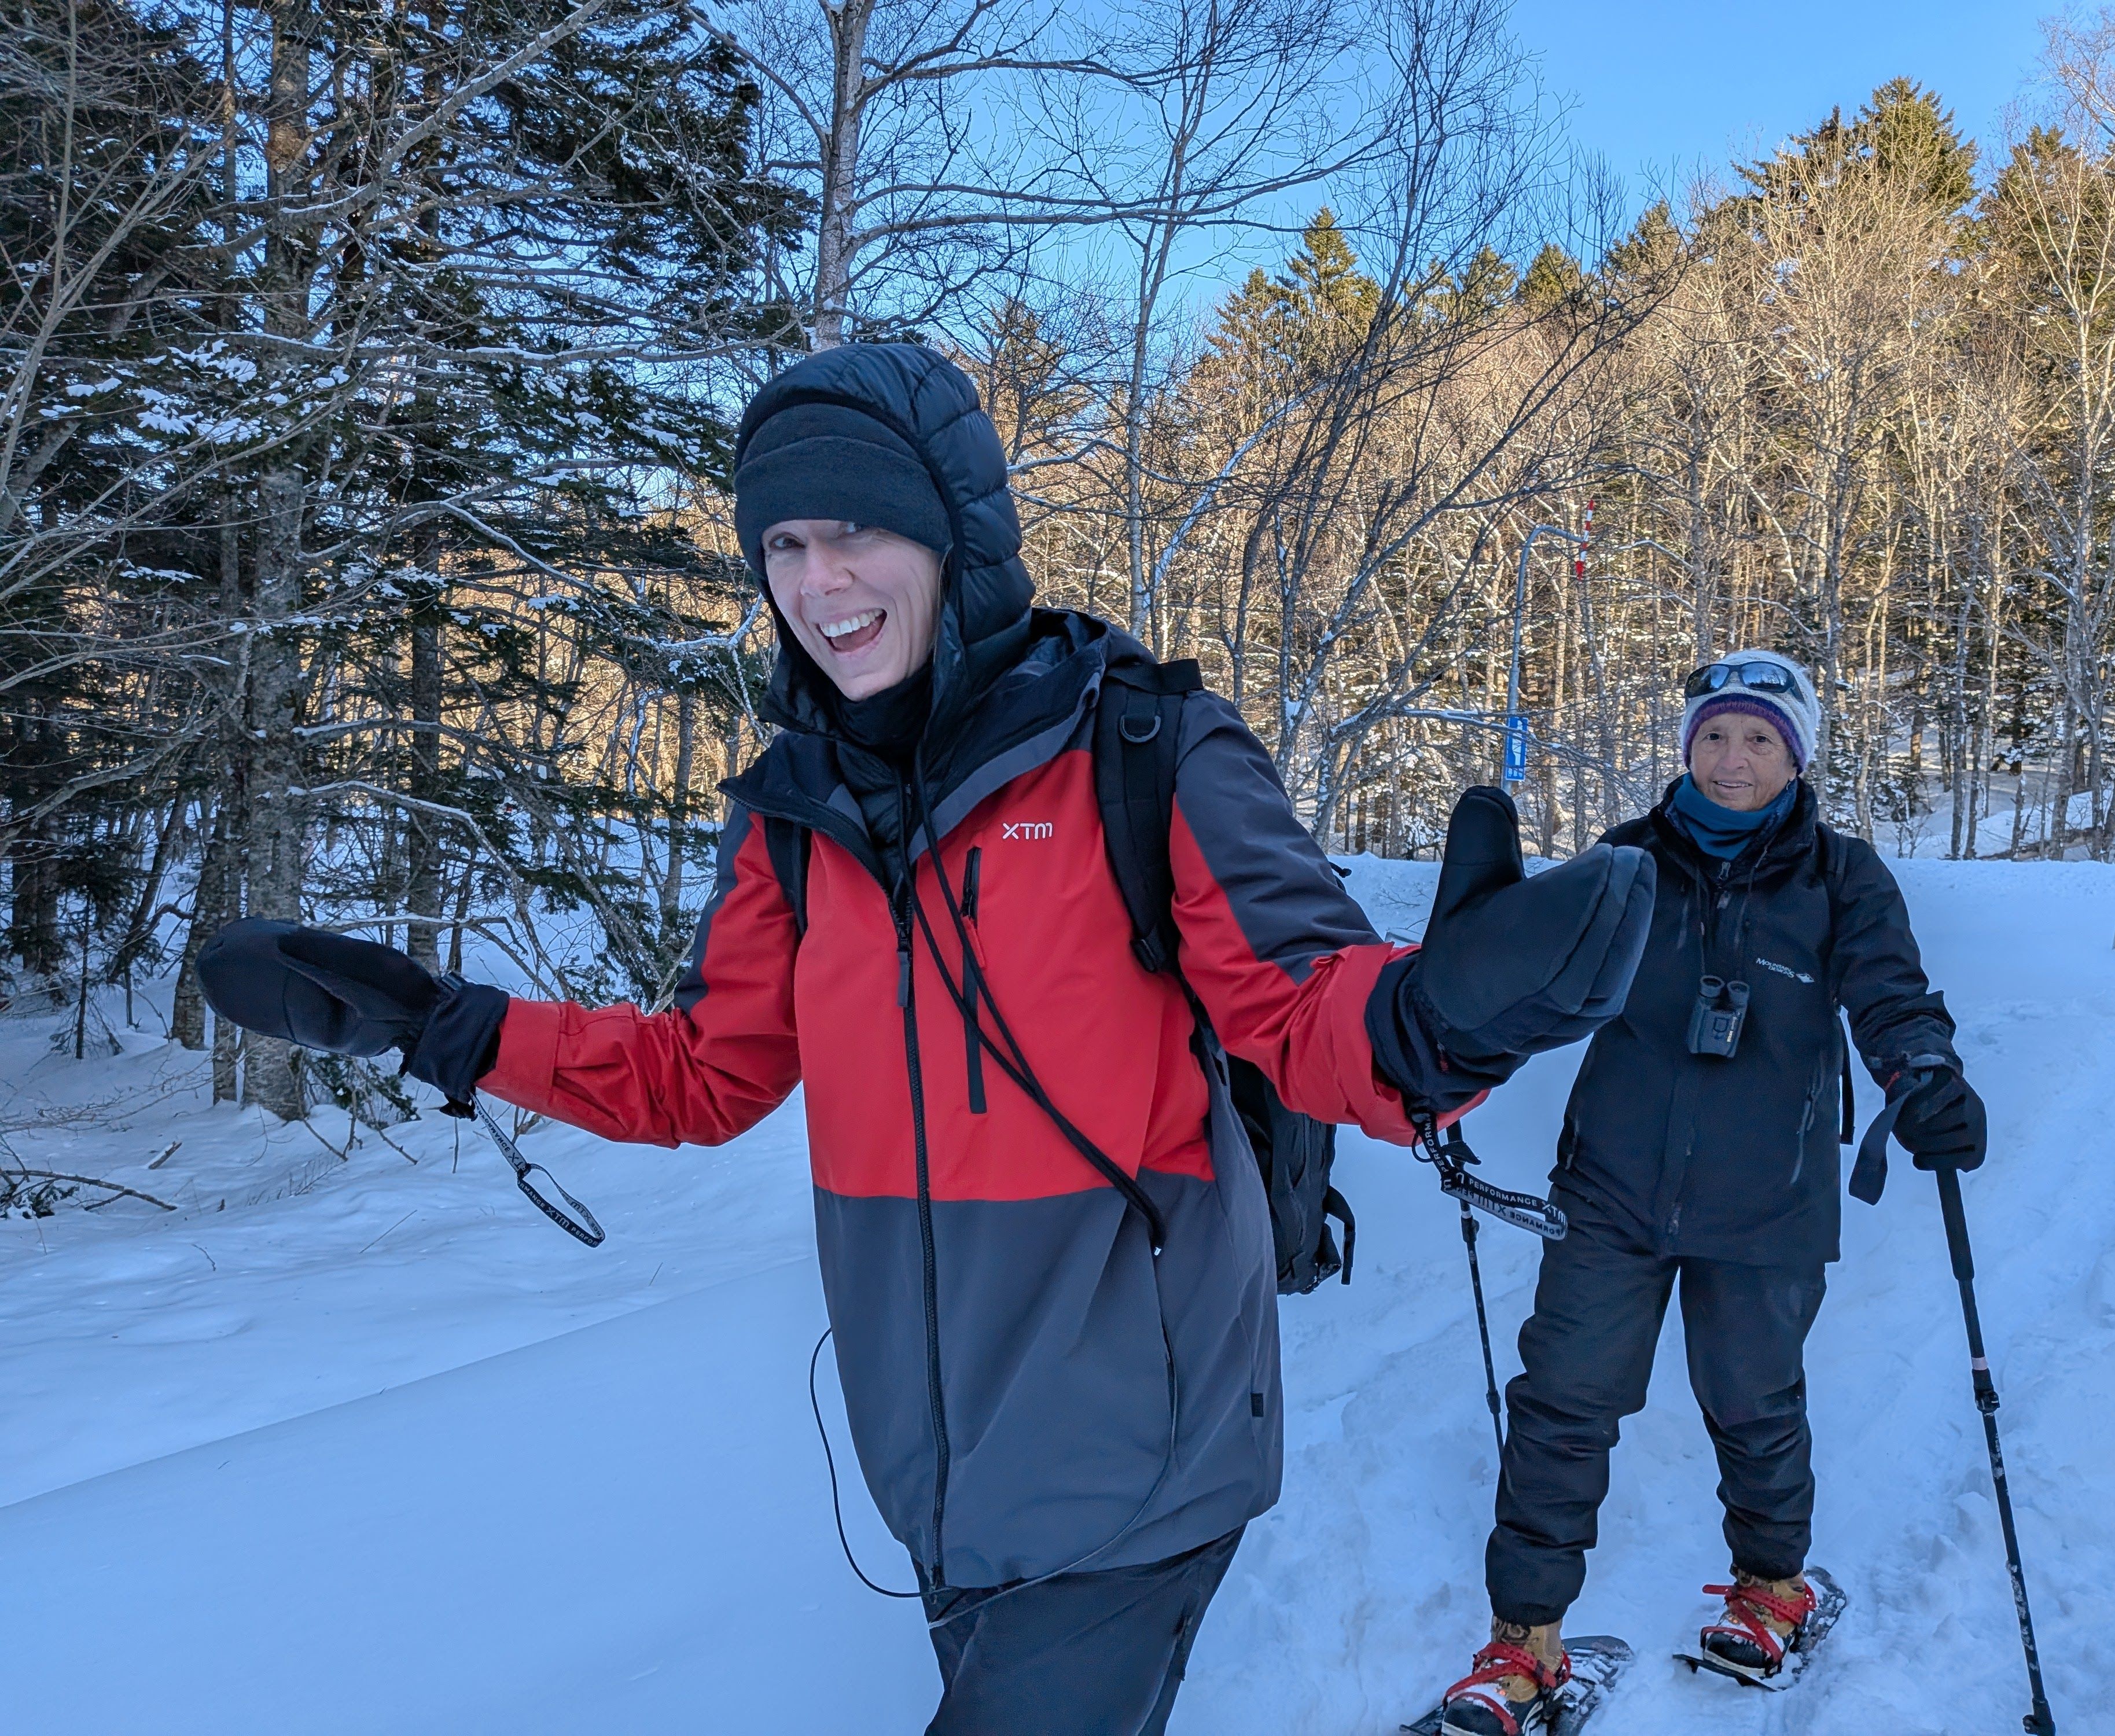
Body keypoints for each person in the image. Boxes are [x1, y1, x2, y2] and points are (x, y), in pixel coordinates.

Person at [196, 341, 1656, 1735]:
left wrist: (1436, 1018)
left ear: (955, 534)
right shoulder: (793, 816)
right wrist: (447, 1026)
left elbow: (1298, 1017)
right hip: (937, 1470)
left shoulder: (1137, 749)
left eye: (852, 533)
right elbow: (702, 1079)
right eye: (779, 548)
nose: (815, 583)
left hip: (1135, 1459)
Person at [1433, 649, 1988, 1735]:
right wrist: (1456, 982)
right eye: (1715, 736)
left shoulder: (1842, 875)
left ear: (1798, 755)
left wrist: (1924, 1073)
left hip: (1768, 1193)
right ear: (1688, 746)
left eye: (1761, 739)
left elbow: (1891, 992)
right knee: (1562, 1404)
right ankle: (1522, 1646)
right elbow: (1517, 991)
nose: (1733, 759)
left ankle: (1773, 1590)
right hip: (1611, 1187)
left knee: (1753, 1401)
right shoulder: (1626, 861)